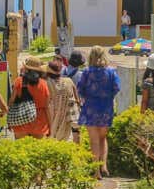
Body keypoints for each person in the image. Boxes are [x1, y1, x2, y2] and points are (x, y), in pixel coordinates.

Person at [78, 46, 121, 179]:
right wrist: (108, 97)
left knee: (94, 140)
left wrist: (88, 96)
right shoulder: (111, 72)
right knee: (103, 138)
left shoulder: (86, 72)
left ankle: (96, 171)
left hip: (90, 108)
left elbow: (80, 89)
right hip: (106, 108)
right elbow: (117, 88)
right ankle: (104, 165)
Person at [9, 57, 51, 139]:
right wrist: (50, 125)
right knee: (37, 150)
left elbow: (11, 102)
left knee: (20, 150)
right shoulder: (43, 84)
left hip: (21, 120)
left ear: (26, 68)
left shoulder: (18, 81)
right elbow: (47, 107)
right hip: (39, 122)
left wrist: (10, 121)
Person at [46, 61, 79, 141]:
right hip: (67, 116)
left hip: (52, 115)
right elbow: (77, 98)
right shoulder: (69, 81)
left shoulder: (47, 82)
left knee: (52, 140)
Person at [63, 51, 86, 143]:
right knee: (76, 129)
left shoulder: (62, 71)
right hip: (75, 103)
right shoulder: (81, 75)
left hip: (62, 102)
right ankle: (77, 148)